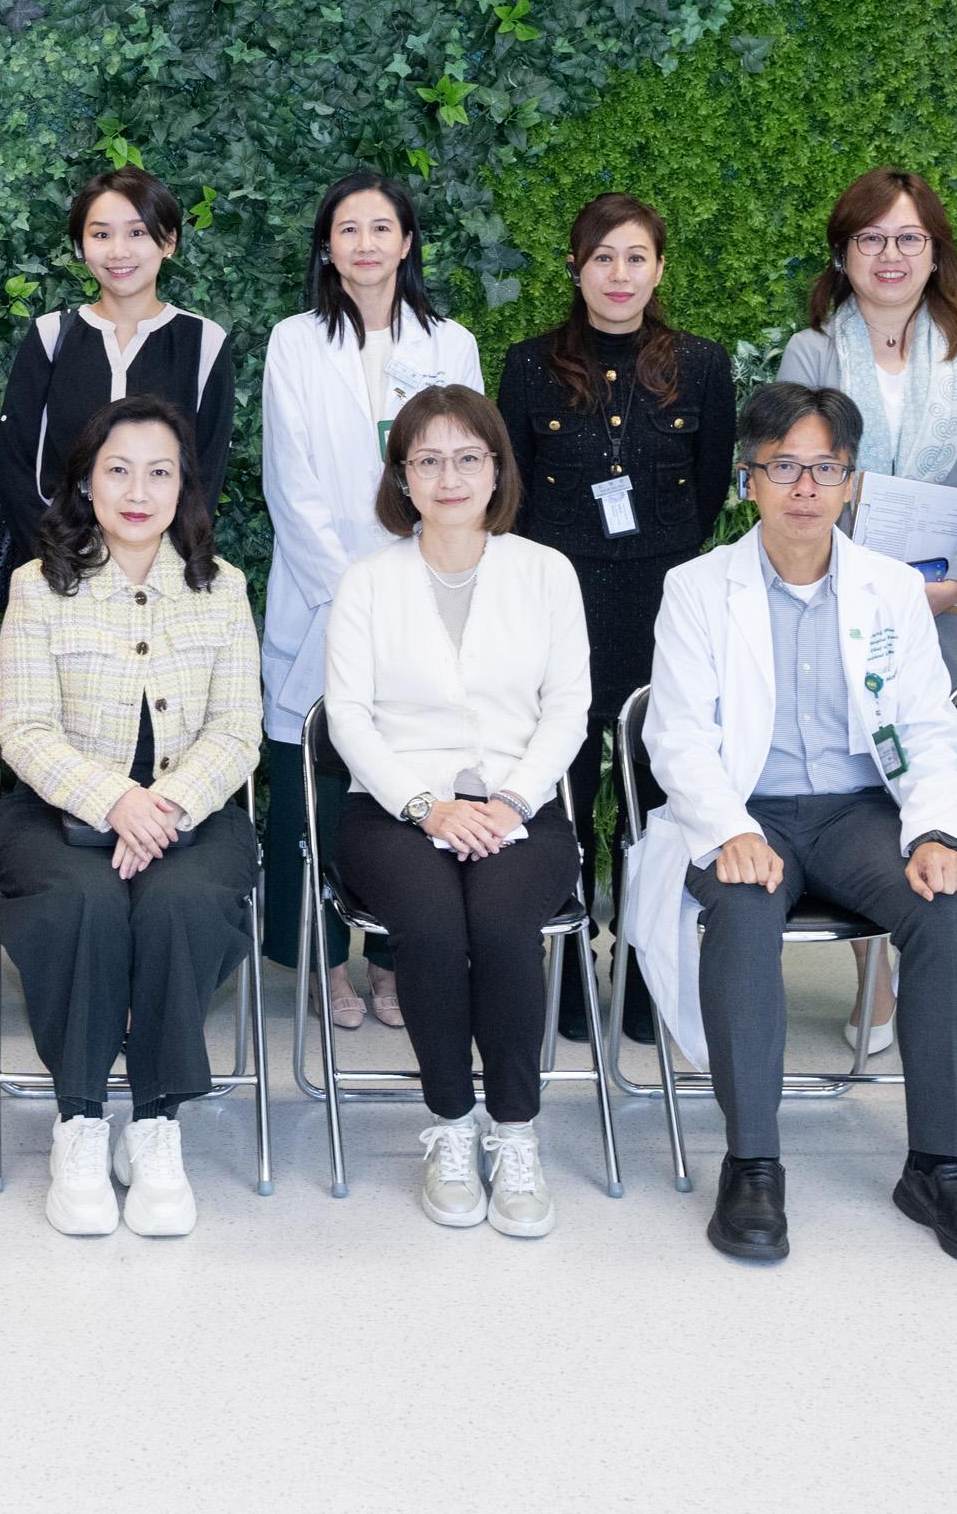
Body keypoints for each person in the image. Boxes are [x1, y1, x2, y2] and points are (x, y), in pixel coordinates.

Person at [623, 381, 957, 1270]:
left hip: (857, 813)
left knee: (942, 907)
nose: (804, 487)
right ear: (749, 480)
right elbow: (676, 732)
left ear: (852, 482)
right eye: (784, 467)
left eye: (825, 468)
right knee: (741, 909)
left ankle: (940, 1166)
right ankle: (753, 1162)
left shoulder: (889, 589)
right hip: (744, 807)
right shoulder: (697, 589)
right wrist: (727, 827)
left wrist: (933, 835)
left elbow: (928, 728)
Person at [0, 396, 260, 1240]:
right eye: (117, 470)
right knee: (86, 903)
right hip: (58, 814)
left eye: (159, 472)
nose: (137, 490)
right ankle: (78, 1122)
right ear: (85, 482)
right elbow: (22, 731)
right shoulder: (38, 588)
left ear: (186, 486)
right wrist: (114, 800)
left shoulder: (223, 590)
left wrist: (167, 806)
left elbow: (238, 730)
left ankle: (155, 1122)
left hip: (191, 812)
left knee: (182, 903)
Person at [325, 385, 590, 1239]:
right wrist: (426, 805)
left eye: (467, 457)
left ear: (497, 469)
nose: (448, 476)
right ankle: (448, 1125)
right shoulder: (367, 582)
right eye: (427, 459)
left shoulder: (546, 572)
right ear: (402, 476)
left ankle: (514, 1133)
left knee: (506, 925)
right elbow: (349, 718)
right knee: (433, 929)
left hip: (524, 806)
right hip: (393, 813)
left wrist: (509, 800)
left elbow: (568, 710)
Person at [778, 168, 957, 1051]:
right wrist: (871, 582)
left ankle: (947, 976)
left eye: (908, 238)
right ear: (844, 254)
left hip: (950, 611)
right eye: (871, 239)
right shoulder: (814, 351)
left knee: (940, 782)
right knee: (859, 787)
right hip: (840, 601)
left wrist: (956, 581)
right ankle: (874, 982)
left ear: (935, 252)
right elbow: (794, 471)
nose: (890, 255)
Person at [497, 193, 734, 1046]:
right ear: (575, 268)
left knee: (652, 790)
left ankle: (640, 967)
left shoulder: (702, 366)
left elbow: (707, 495)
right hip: (558, 598)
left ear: (659, 269)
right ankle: (564, 965)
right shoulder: (528, 367)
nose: (619, 275)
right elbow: (512, 497)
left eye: (636, 258)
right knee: (565, 785)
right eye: (602, 258)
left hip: (664, 600)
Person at [259, 170, 482, 1032]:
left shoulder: (451, 343)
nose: (364, 244)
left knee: (410, 772)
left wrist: (401, 585)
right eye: (346, 229)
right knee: (311, 778)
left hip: (423, 589)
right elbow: (291, 479)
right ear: (328, 246)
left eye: (380, 228)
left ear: (407, 242)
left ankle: (393, 957)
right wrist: (353, 590)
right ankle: (321, 963)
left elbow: (456, 473)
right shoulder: (292, 341)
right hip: (319, 596)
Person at [0, 165, 236, 543]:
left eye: (137, 232)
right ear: (81, 246)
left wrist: (169, 561)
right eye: (101, 234)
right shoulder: (51, 334)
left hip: (163, 568)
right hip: (58, 561)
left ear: (168, 241)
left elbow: (207, 470)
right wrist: (54, 562)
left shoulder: (203, 341)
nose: (119, 251)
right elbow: (17, 464)